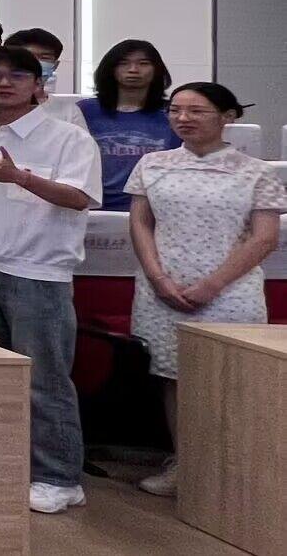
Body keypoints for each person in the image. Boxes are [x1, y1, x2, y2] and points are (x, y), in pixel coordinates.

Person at [123, 80, 287, 497]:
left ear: (228, 117)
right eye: (176, 110)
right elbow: (140, 223)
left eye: (196, 111)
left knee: (231, 378)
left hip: (230, 291)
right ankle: (186, 467)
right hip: (163, 287)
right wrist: (159, 279)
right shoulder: (153, 164)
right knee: (173, 377)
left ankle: (235, 474)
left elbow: (265, 238)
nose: (183, 118)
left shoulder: (256, 172)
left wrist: (212, 285)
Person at [0, 44, 100, 516]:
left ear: (38, 84)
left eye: (17, 75)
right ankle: (4, 465)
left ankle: (59, 478)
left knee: (45, 380)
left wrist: (22, 178)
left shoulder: (68, 137)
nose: (4, 83)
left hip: (38, 272)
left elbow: (80, 198)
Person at [79, 39, 180, 210]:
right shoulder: (84, 110)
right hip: (92, 206)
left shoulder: (175, 113)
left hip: (155, 208)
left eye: (143, 63)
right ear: (110, 68)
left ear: (157, 70)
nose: (133, 70)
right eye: (123, 63)